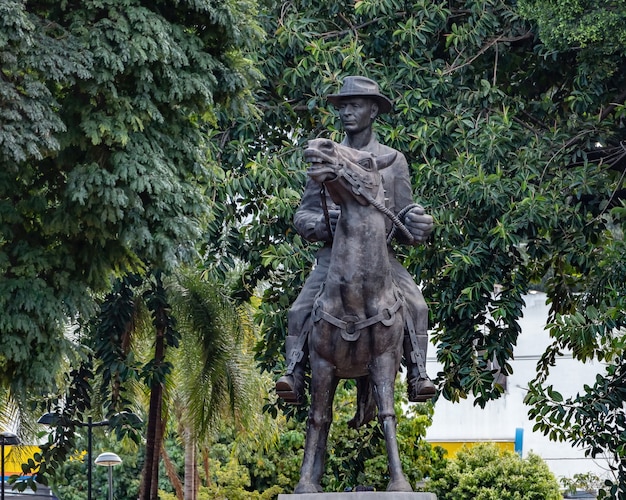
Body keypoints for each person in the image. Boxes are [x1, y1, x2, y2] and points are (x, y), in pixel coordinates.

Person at [275, 76, 436, 404]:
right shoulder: (325, 156)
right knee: (299, 309)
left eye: (355, 105)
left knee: (417, 305)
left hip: (381, 260)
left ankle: (418, 373)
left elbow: (402, 212)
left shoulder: (394, 161)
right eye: (343, 106)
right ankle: (294, 371)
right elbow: (302, 216)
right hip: (333, 259)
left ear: (373, 111)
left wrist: (417, 223)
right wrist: (322, 223)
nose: (347, 112)